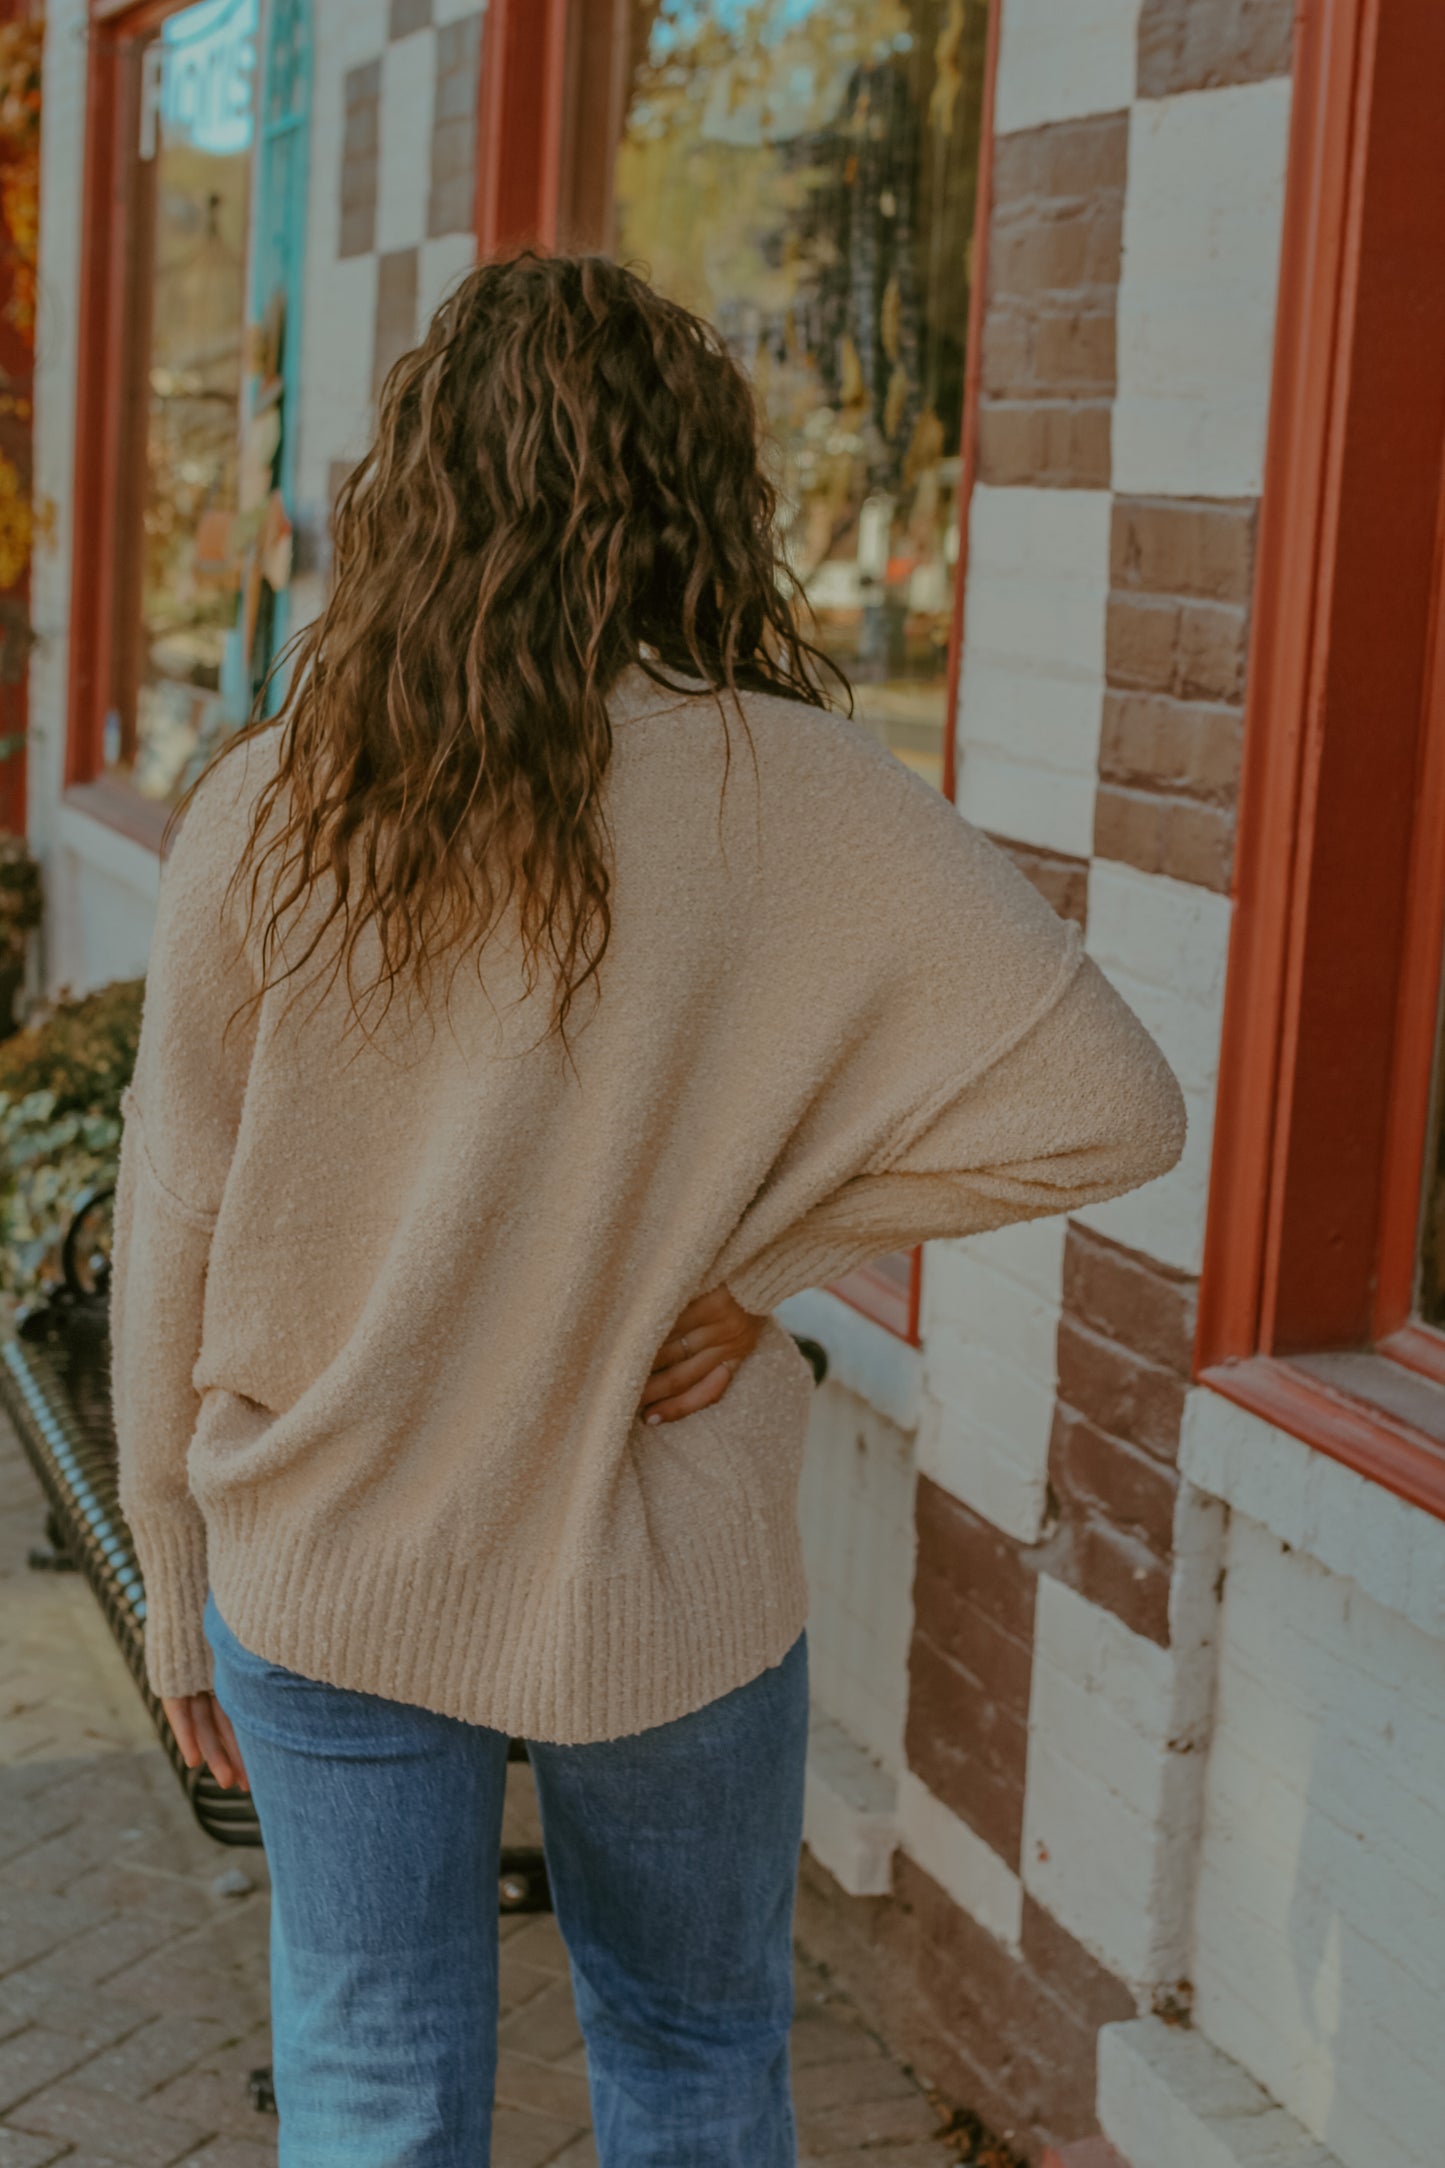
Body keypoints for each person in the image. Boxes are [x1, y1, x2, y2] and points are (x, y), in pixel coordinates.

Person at [111, 253, 1186, 2168]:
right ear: (698, 495)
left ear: (416, 488)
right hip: (666, 1577)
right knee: (694, 2061)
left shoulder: (273, 807)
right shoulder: (807, 794)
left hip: (324, 1538)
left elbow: (174, 1212)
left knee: (370, 2079)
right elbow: (1109, 1106)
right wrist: (756, 1268)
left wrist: (170, 1579)